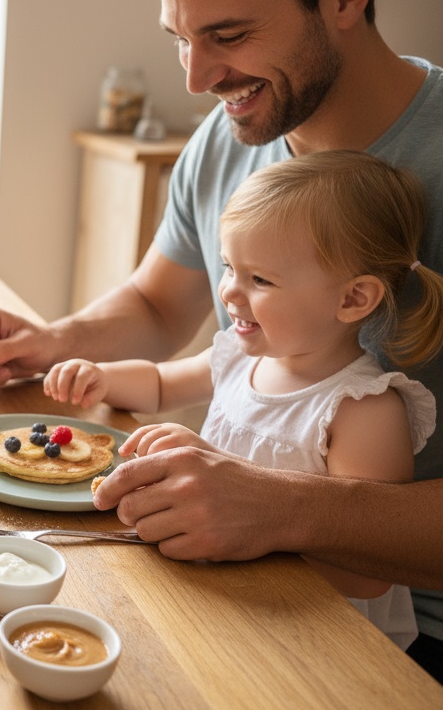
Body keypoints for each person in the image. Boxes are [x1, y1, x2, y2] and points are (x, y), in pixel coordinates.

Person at [0, 0, 443, 675]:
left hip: (399, 640)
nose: (196, 77)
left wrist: (279, 509)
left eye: (229, 35)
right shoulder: (233, 130)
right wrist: (54, 340)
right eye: (181, 39)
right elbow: (157, 303)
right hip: (237, 582)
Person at [45, 152, 442, 649]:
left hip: (316, 640)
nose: (230, 292)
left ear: (353, 299)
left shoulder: (365, 409)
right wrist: (101, 376)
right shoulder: (239, 354)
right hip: (230, 603)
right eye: (229, 267)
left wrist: (234, 488)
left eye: (260, 280)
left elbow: (365, 576)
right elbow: (161, 384)